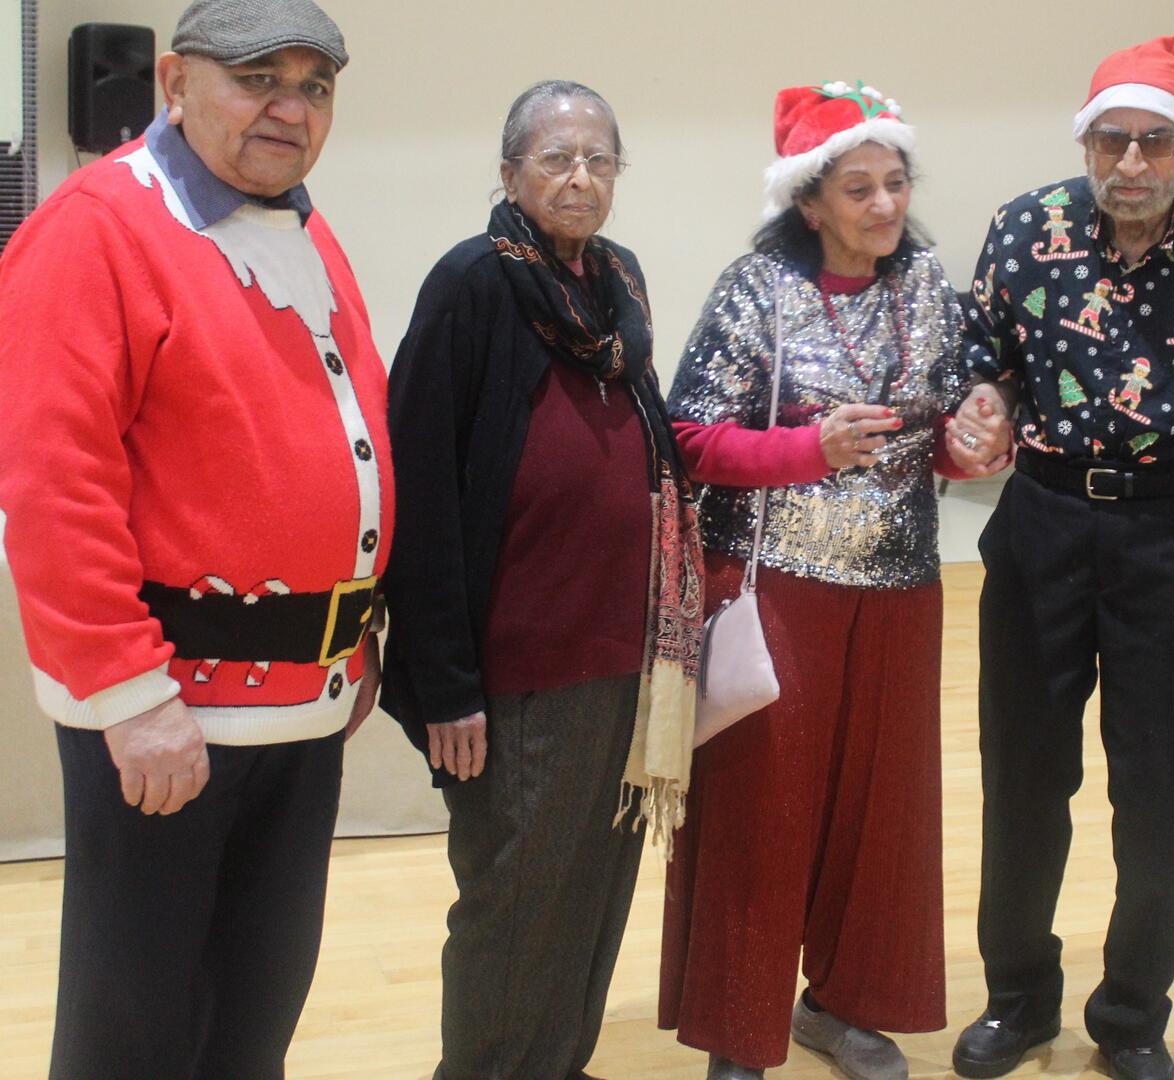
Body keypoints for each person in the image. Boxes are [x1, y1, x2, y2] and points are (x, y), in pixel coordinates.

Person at [0, 2, 388, 1076]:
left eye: (315, 87)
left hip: (302, 703)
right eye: (259, 79)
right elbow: (52, 486)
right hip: (168, 715)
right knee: (135, 1034)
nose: (291, 109)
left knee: (253, 1017)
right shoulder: (94, 227)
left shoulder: (302, 228)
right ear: (174, 84)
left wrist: (351, 642)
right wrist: (130, 696)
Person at [949, 36, 1174, 1080]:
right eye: (1113, 140)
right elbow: (990, 366)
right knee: (1023, 776)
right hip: (1045, 523)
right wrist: (985, 406)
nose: (1132, 162)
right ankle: (1018, 999)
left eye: (1155, 141)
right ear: (1087, 143)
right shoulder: (1026, 228)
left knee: (1162, 795)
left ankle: (1133, 1013)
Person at [657, 81, 1012, 1080]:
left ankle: (841, 1006)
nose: (885, 205)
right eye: (858, 189)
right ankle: (738, 1029)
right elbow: (688, 436)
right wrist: (806, 450)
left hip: (900, 587)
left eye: (896, 182)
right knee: (763, 813)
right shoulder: (755, 288)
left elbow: (944, 433)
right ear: (808, 203)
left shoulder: (927, 283)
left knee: (880, 817)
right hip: (777, 585)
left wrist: (976, 441)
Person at [382, 81, 701, 1080]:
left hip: (622, 650)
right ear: (510, 171)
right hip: (519, 664)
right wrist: (446, 685)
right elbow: (419, 484)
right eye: (557, 158)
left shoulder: (616, 279)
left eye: (600, 160)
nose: (580, 178)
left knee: (594, 886)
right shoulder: (474, 283)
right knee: (516, 897)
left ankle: (559, 1063)